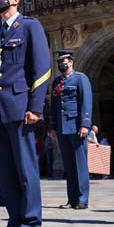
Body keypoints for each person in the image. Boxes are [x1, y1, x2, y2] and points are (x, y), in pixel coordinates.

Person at [0, 0, 51, 227]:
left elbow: (41, 68)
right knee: (5, 171)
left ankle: (31, 224)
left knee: (25, 169)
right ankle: (13, 222)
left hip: (20, 107)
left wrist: (35, 107)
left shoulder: (29, 27)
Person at [49, 50, 92, 210]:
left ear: (71, 62)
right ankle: (71, 198)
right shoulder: (56, 82)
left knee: (80, 164)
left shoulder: (80, 79)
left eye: (64, 61)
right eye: (59, 62)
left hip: (76, 127)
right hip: (62, 128)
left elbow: (86, 102)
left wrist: (85, 124)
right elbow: (54, 107)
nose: (61, 64)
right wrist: (53, 127)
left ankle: (82, 199)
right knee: (69, 165)